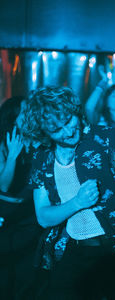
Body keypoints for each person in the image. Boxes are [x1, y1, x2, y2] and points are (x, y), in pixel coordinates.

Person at [19, 86, 115, 300]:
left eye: (69, 120)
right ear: (44, 132)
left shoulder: (107, 139)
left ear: (75, 110)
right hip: (74, 251)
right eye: (57, 129)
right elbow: (43, 217)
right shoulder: (42, 158)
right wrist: (77, 203)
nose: (68, 131)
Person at [0, 97, 41, 300]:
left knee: (28, 281)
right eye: (25, 111)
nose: (30, 114)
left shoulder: (37, 140)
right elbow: (3, 187)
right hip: (9, 221)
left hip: (33, 219)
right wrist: (12, 157)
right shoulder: (4, 144)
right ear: (14, 116)